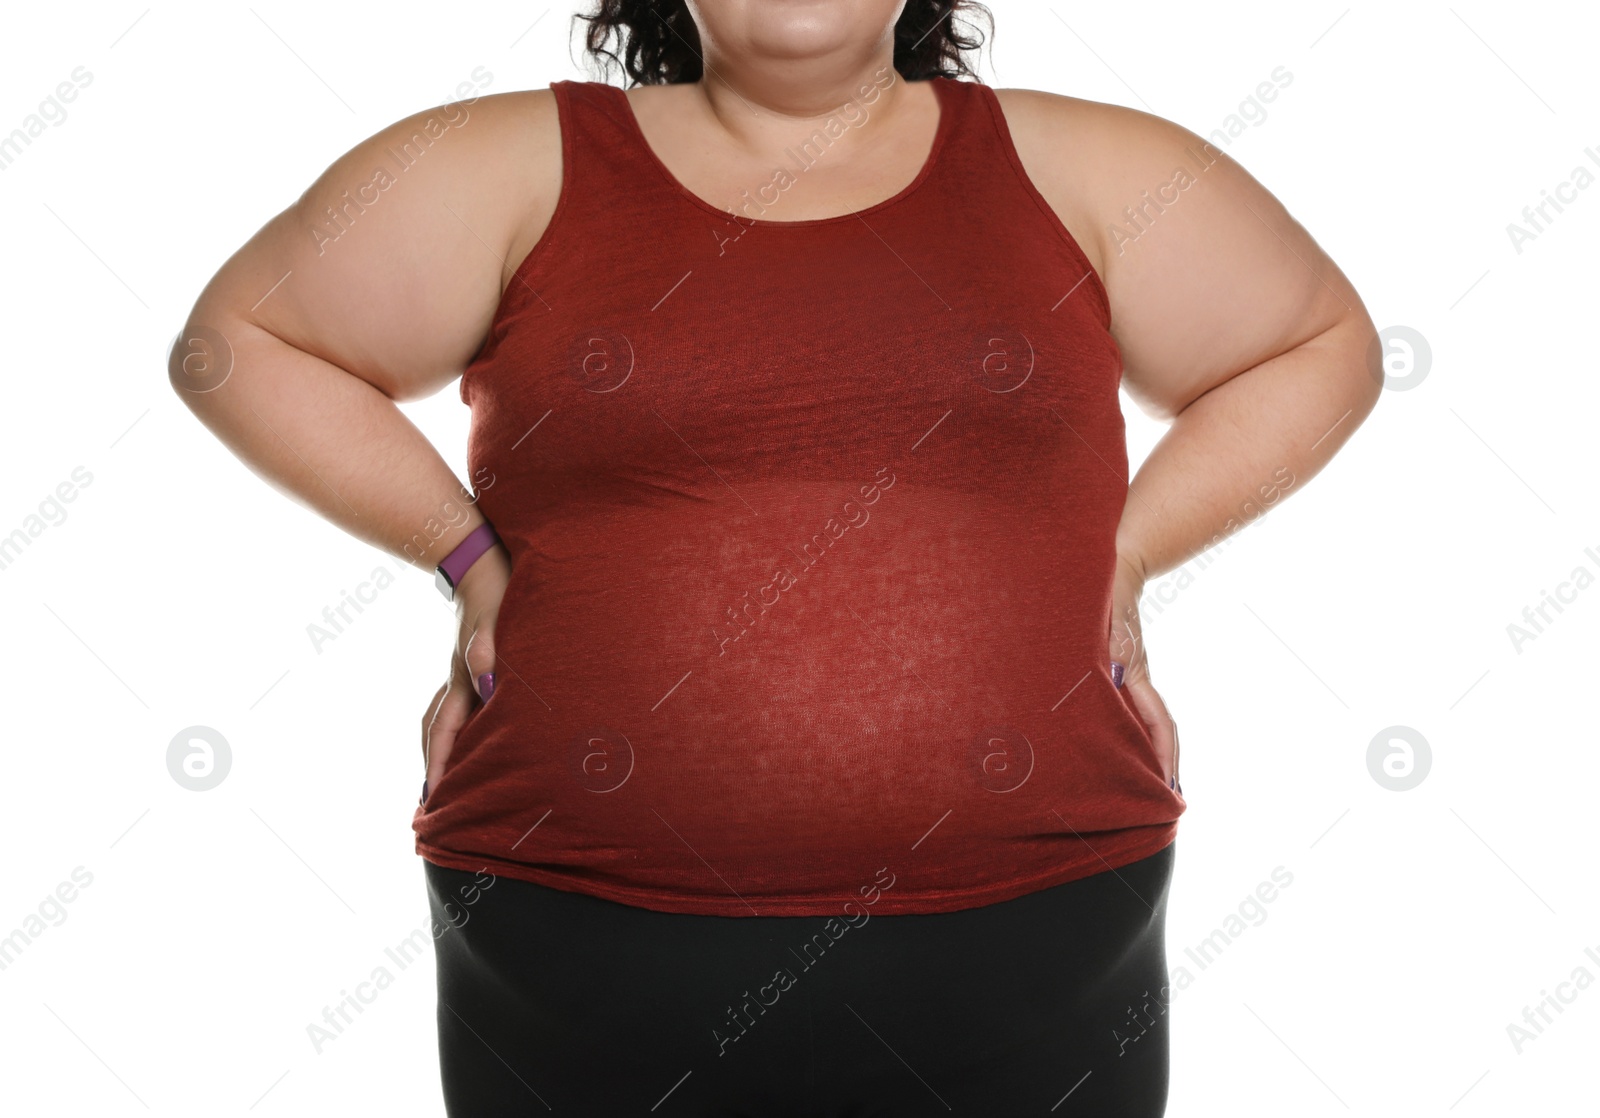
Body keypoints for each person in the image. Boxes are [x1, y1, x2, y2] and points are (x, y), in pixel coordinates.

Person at [170, 1, 1380, 1113]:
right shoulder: (508, 164)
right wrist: (465, 553)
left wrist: (1116, 560)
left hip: (1036, 925)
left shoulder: (1091, 168)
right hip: (574, 930)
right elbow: (238, 347)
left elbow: (1318, 344)